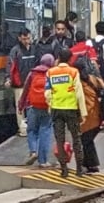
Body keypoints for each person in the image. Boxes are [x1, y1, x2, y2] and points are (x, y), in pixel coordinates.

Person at [45, 48, 87, 178]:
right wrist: (83, 112)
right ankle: (79, 169)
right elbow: (79, 94)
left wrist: (51, 104)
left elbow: (47, 92)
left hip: (56, 110)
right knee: (76, 138)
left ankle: (64, 170)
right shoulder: (73, 72)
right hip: (71, 109)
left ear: (58, 58)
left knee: (60, 140)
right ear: (70, 59)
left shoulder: (50, 72)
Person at [18, 54, 54, 168]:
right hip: (47, 106)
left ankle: (33, 151)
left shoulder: (33, 73)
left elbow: (25, 90)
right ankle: (43, 161)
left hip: (32, 105)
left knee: (32, 130)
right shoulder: (52, 73)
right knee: (45, 131)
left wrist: (20, 105)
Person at [74, 58, 104, 174]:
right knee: (88, 140)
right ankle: (90, 165)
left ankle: (89, 165)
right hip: (97, 113)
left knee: (85, 140)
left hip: (86, 115)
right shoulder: (93, 78)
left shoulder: (78, 82)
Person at [5, 28, 36, 137]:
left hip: (32, 83)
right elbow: (10, 65)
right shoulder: (15, 50)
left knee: (33, 105)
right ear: (19, 38)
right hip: (19, 84)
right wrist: (8, 78)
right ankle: (23, 129)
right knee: (20, 107)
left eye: (28, 38)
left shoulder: (34, 49)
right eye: (24, 39)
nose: (26, 41)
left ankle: (33, 126)